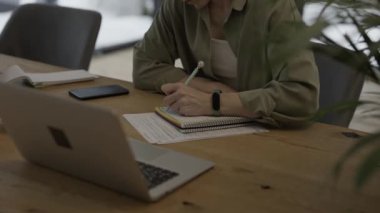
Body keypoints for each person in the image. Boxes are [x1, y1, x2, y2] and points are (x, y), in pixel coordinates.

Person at [133, 0, 319, 127]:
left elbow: (302, 96)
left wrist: (215, 102)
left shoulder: (273, 6)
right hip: (202, 131)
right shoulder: (178, 4)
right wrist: (210, 87)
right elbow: (144, 65)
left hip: (268, 137)